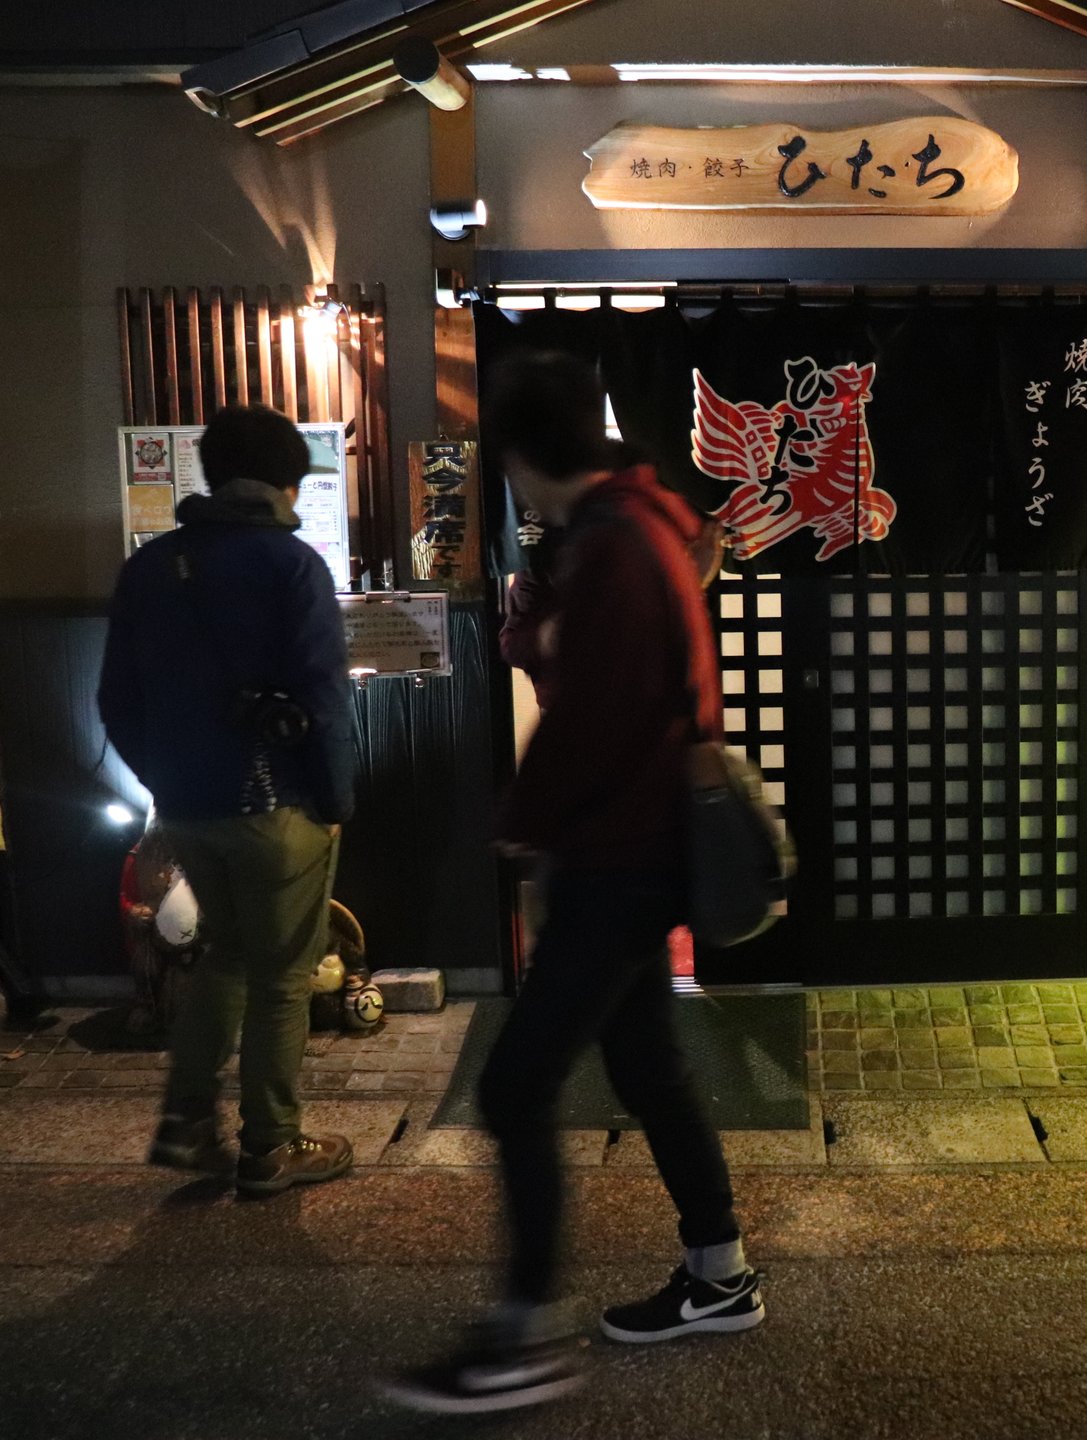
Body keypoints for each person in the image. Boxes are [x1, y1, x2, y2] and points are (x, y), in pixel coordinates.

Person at [384, 354, 759, 1415]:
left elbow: (593, 721)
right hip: (637, 856)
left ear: (517, 459)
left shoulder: (612, 549)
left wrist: (525, 834)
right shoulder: (645, 527)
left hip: (617, 861)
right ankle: (718, 1271)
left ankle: (518, 1341)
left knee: (514, 1088)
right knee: (648, 1069)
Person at [97, 404, 357, 1197]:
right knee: (283, 974)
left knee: (227, 956)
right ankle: (272, 1147)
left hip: (188, 809)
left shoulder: (149, 567)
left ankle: (187, 1122)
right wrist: (335, 797)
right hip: (278, 805)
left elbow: (115, 700)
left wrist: (167, 780)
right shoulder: (290, 565)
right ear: (286, 481)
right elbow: (323, 693)